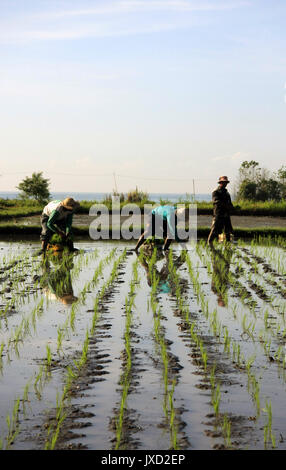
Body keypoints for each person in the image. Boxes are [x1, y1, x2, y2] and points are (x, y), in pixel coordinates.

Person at [207, 176, 234, 246]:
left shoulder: (227, 193)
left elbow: (230, 203)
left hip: (226, 214)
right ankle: (209, 243)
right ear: (220, 183)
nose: (225, 184)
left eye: (226, 182)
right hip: (218, 214)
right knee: (214, 229)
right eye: (223, 182)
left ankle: (228, 245)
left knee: (228, 231)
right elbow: (216, 201)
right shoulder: (216, 192)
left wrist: (232, 207)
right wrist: (225, 205)